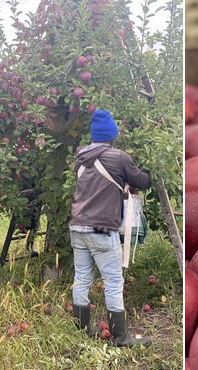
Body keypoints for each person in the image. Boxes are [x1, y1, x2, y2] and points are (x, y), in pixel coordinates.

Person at [69, 109, 152, 347]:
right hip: (101, 229)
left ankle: (82, 328)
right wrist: (149, 175)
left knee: (81, 278)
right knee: (114, 281)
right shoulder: (119, 157)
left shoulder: (81, 159)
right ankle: (120, 337)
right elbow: (141, 181)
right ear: (113, 134)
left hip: (77, 227)